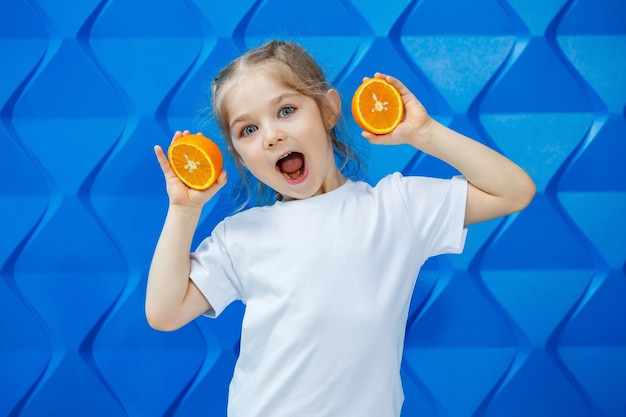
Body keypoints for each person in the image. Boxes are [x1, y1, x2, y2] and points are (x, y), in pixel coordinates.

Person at [146, 40, 535, 417]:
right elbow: (164, 312)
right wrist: (183, 210)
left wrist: (424, 133)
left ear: (329, 110)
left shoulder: (397, 207)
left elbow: (514, 191)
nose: (271, 136)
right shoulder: (240, 236)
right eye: (247, 130)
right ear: (240, 158)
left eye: (286, 111)